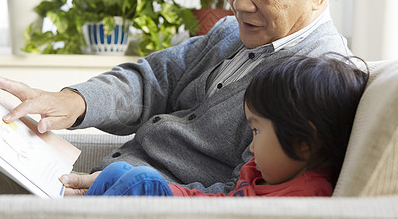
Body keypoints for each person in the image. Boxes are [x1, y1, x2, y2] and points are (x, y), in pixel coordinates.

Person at [0, 0, 354, 196]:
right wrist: (75, 101)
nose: (240, 2)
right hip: (102, 178)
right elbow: (153, 78)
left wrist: (135, 194)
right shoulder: (230, 33)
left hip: (139, 202)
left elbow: (245, 195)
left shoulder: (316, 80)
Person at [83, 54, 369, 197]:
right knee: (123, 172)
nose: (252, 145)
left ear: (303, 142)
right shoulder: (262, 173)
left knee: (139, 182)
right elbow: (223, 200)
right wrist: (172, 193)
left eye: (256, 131)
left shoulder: (307, 195)